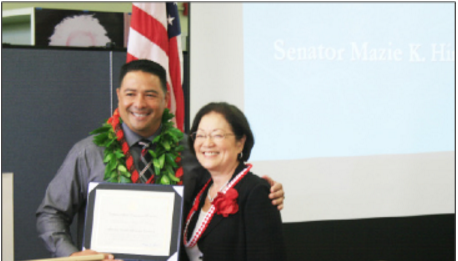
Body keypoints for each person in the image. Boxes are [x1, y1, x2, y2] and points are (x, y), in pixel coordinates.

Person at [36, 59, 285, 261]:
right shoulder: (88, 153)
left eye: (150, 95)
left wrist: (265, 191)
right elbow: (51, 213)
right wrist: (73, 256)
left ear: (166, 98)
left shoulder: (191, 151)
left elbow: (221, 188)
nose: (139, 104)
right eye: (131, 94)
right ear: (119, 95)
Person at [182, 102, 287, 261]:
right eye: (201, 135)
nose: (207, 143)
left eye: (217, 135)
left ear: (240, 143)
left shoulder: (256, 192)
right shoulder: (201, 191)